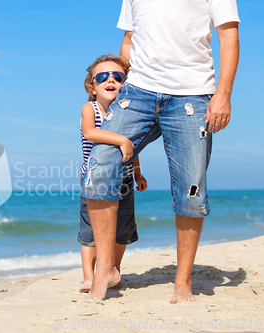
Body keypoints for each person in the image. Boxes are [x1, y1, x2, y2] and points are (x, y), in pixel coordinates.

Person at [80, 0, 240, 302]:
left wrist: (223, 95)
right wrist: (121, 90)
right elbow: (129, 39)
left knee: (191, 191)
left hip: (192, 93)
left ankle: (182, 282)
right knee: (99, 167)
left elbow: (228, 35)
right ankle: (105, 270)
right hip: (137, 91)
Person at [77, 54, 147, 293]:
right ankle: (89, 275)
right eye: (103, 77)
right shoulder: (90, 108)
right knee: (89, 231)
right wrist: (121, 139)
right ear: (92, 86)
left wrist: (138, 174)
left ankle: (111, 270)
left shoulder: (128, 115)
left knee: (123, 229)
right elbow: (90, 133)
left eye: (118, 77)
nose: (111, 80)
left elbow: (131, 150)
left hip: (125, 179)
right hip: (94, 178)